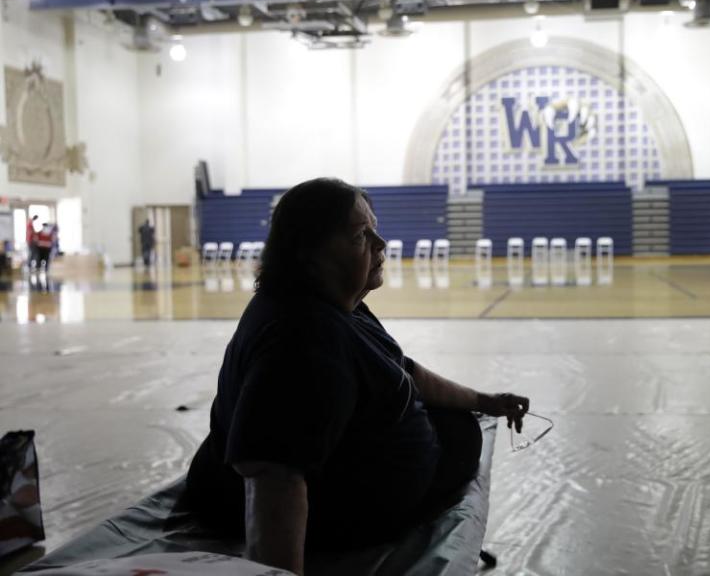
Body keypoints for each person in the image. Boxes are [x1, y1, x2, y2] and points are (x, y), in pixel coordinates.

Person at [184, 178, 529, 576]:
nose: (381, 244)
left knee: (457, 428)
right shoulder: (302, 340)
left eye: (375, 230)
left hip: (355, 476)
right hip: (335, 519)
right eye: (361, 236)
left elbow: (403, 371)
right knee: (454, 437)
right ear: (310, 253)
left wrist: (483, 401)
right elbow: (273, 477)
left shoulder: (338, 304)